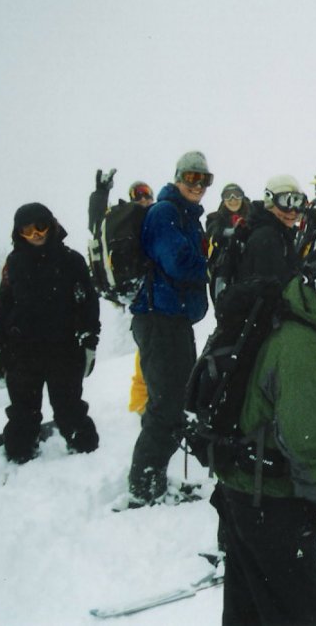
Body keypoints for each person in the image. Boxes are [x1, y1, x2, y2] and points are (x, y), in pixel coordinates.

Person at [214, 246, 316, 626]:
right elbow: (304, 439)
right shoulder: (301, 345)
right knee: (298, 614)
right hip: (272, 500)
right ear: (309, 288)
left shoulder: (298, 327)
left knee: (248, 607)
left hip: (244, 490)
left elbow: (283, 408)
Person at [125, 150, 210, 507]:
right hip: (158, 319)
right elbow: (175, 261)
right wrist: (211, 261)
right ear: (178, 177)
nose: (198, 186)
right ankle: (143, 486)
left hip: (174, 320)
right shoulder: (165, 212)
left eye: (204, 179)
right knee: (166, 405)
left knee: (177, 401)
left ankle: (153, 477)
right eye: (191, 178)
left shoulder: (187, 216)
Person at [0, 202, 101, 463]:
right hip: (22, 351)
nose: (36, 234)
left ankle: (88, 457)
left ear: (51, 224)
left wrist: (89, 341)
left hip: (64, 349)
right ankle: (19, 458)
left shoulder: (71, 260)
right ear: (19, 234)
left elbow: (88, 305)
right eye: (27, 231)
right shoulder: (14, 263)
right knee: (22, 413)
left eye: (40, 226)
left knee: (69, 409)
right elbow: (3, 306)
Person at [234, 174, 307, 285]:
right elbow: (272, 289)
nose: (293, 211)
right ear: (270, 202)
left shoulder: (281, 234)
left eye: (298, 202)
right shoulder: (267, 238)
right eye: (285, 201)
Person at [124, 180, 155, 416]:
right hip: (144, 298)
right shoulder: (131, 223)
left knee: (148, 353)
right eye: (138, 196)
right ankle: (139, 404)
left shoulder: (151, 219)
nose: (143, 200)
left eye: (147, 196)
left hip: (150, 296)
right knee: (145, 354)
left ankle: (144, 401)